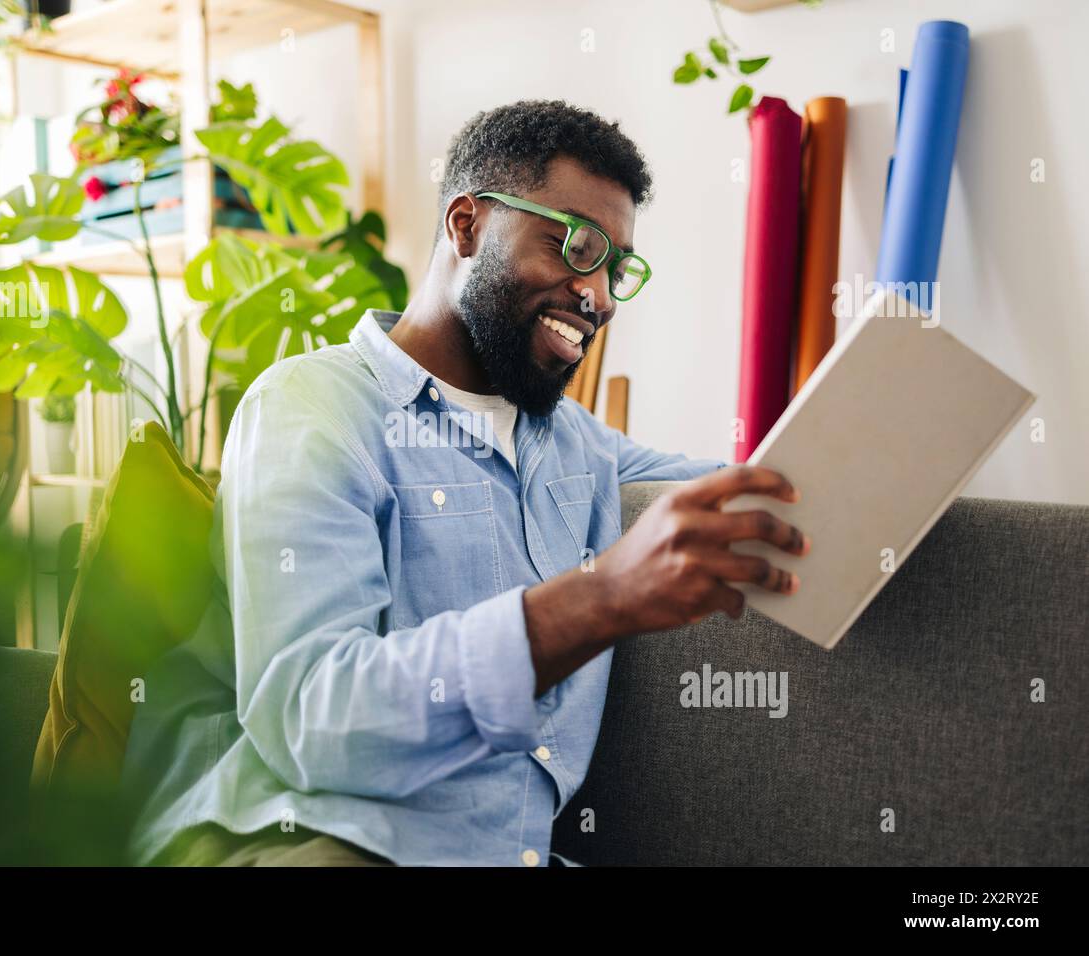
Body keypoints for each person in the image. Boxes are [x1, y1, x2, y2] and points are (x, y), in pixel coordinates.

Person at [121, 99, 809, 868]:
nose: (601, 296)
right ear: (467, 226)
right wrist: (597, 598)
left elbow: (772, 488)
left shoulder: (579, 447)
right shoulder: (314, 409)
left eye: (616, 267)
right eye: (576, 247)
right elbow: (312, 716)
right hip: (306, 840)